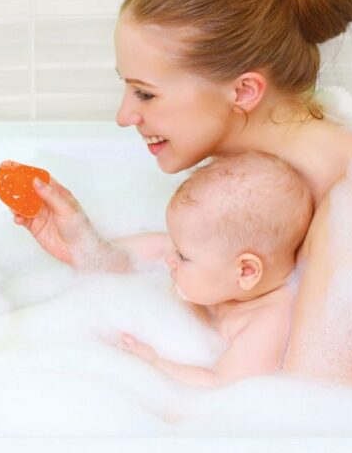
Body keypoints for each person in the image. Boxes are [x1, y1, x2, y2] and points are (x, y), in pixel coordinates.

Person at [16, 0, 352, 384]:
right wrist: (93, 253)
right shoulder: (258, 175)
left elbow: (308, 410)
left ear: (244, 91)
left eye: (146, 93)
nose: (124, 116)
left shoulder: (346, 215)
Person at [112, 152, 313, 386]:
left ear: (246, 271)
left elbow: (221, 385)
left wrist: (154, 361)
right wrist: (95, 250)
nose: (169, 259)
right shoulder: (221, 268)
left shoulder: (267, 325)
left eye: (182, 256)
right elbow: (159, 246)